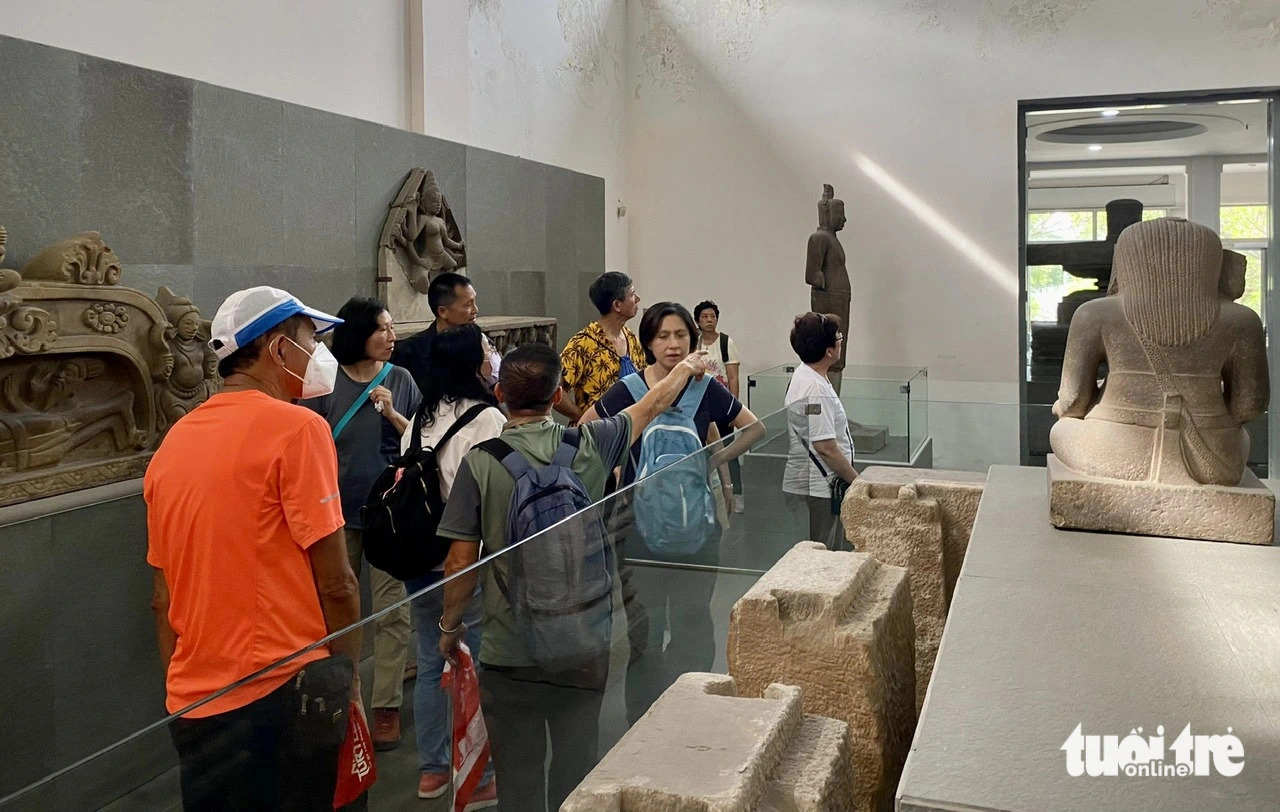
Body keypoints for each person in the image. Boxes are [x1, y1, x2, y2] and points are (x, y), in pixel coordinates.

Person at [436, 342, 711, 812]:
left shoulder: (481, 462)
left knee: (518, 777)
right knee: (577, 765)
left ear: (500, 393)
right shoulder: (591, 442)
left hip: (510, 648)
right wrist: (686, 365)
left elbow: (461, 561)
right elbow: (652, 403)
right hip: (585, 637)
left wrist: (449, 628)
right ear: (557, 392)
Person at [146, 286, 361, 811]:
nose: (320, 354)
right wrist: (346, 682)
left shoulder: (175, 441)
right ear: (277, 348)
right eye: (311, 339)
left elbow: (162, 596)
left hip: (195, 705)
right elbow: (336, 581)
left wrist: (183, 691)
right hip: (285, 694)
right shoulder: (298, 429)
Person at [583, 302, 762, 722]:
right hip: (641, 526)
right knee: (650, 628)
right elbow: (589, 431)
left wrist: (711, 463)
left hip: (690, 529)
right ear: (647, 341)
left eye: (680, 335)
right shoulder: (630, 391)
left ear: (692, 339)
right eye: (663, 336)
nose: (672, 343)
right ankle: (648, 721)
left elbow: (754, 427)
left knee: (691, 622)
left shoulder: (692, 387)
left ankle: (684, 715)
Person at [300, 297, 421, 751]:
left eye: (392, 329)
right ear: (357, 335)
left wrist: (392, 414)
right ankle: (343, 698)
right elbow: (307, 445)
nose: (392, 337)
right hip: (334, 515)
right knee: (337, 610)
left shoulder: (402, 380)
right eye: (382, 329)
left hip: (388, 514)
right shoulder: (325, 384)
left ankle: (385, 707)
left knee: (394, 611)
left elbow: (419, 441)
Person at [400, 324, 505, 805]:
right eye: (487, 349)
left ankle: (431, 769)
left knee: (428, 660)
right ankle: (478, 773)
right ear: (472, 361)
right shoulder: (487, 419)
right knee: (473, 662)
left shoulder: (422, 415)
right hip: (467, 558)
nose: (492, 356)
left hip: (419, 555)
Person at [782, 312, 858, 549]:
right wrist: (857, 482)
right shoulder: (816, 389)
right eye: (838, 337)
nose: (840, 341)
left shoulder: (805, 374)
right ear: (828, 350)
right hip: (819, 487)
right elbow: (825, 446)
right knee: (821, 555)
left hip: (810, 481)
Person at [556, 271, 644, 423]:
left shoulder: (631, 338)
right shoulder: (583, 343)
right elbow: (555, 389)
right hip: (595, 437)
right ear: (617, 305)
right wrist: (583, 418)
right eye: (632, 295)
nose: (637, 299)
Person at [390, 272, 480, 394]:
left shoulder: (482, 345)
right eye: (468, 305)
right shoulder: (408, 353)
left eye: (474, 302)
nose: (475, 310)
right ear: (442, 311)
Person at [694, 299, 745, 513]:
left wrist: (733, 409)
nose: (709, 320)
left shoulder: (726, 343)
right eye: (704, 317)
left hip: (721, 406)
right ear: (697, 320)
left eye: (712, 316)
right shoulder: (694, 343)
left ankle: (736, 493)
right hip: (699, 406)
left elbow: (733, 378)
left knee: (728, 451)